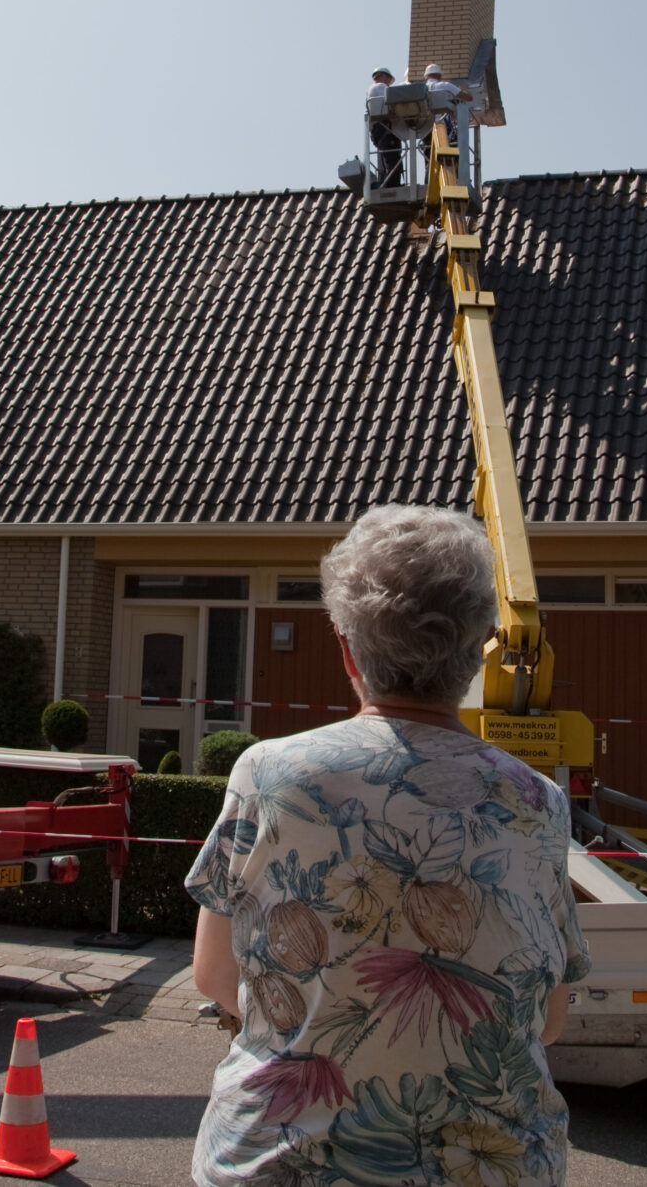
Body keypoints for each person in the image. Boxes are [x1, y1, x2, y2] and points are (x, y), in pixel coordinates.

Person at [187, 505, 590, 1187]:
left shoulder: (268, 774)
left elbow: (215, 978)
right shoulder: (538, 802)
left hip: (277, 1164)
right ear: (479, 649)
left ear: (348, 649)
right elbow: (547, 1019)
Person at [366, 66, 403, 188]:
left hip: (378, 130)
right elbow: (392, 102)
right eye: (388, 79)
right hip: (385, 129)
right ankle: (392, 184)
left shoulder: (371, 90)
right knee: (393, 158)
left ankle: (387, 182)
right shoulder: (381, 87)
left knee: (387, 156)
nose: (389, 83)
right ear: (383, 76)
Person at [424, 61, 464, 142]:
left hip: (425, 129)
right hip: (442, 127)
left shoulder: (421, 89)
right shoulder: (445, 85)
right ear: (439, 76)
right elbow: (467, 97)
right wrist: (464, 90)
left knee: (428, 148)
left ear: (426, 77)